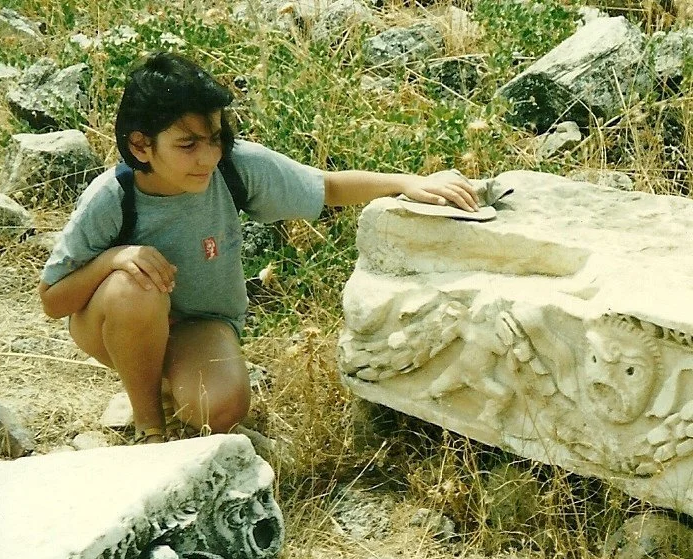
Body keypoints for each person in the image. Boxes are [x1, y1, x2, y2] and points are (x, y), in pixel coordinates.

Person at [38, 52, 480, 444]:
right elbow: (53, 301)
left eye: (214, 139)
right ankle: (149, 425)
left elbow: (325, 187)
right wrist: (115, 259)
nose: (207, 158)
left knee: (221, 409)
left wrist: (407, 182)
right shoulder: (113, 197)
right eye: (187, 145)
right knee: (134, 287)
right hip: (115, 320)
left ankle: (170, 383)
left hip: (202, 323)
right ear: (141, 145)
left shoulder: (234, 168)